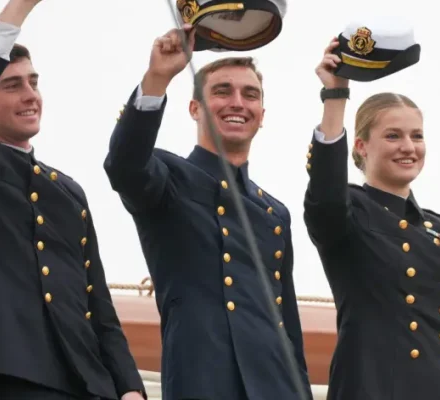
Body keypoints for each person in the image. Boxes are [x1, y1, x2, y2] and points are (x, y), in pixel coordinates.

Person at [0, 1, 145, 399]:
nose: (30, 95)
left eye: (34, 82)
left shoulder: (68, 192)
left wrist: (130, 388)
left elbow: (98, 304)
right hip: (11, 378)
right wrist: (21, 7)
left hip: (93, 386)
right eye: (12, 85)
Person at [102, 24, 311, 400]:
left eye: (250, 95)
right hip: (204, 380)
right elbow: (123, 164)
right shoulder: (168, 178)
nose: (237, 102)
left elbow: (288, 328)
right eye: (222, 91)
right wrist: (158, 78)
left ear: (261, 114)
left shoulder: (274, 213)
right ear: (194, 107)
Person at [303, 38, 440, 400]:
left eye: (417, 136)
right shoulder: (348, 210)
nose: (408, 147)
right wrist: (335, 98)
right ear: (361, 147)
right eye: (392, 136)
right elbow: (326, 191)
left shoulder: (439, 229)